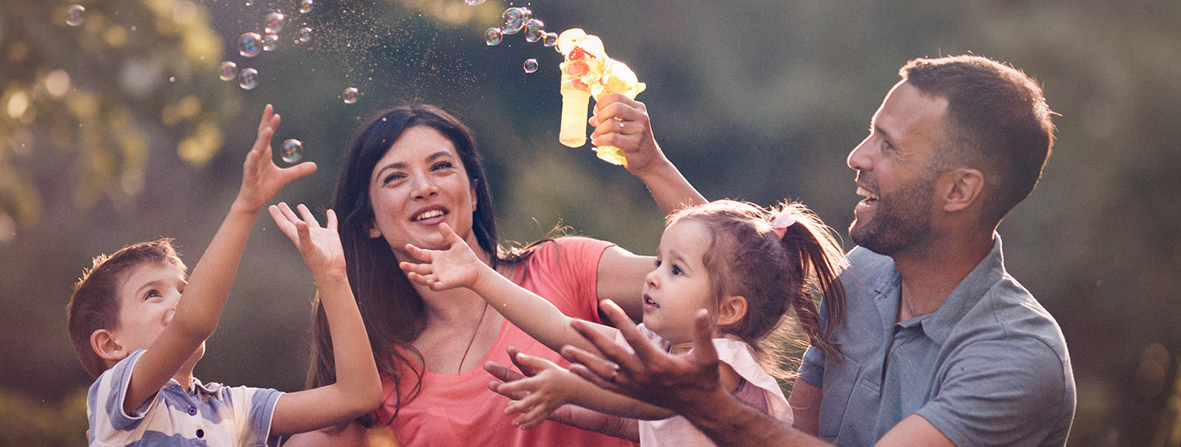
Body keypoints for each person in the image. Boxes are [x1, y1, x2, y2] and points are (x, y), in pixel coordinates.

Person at [558, 55, 1076, 447]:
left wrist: (707, 404)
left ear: (959, 191)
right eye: (870, 135)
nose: (857, 156)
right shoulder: (862, 277)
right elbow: (738, 273)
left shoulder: (1017, 360)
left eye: (888, 145)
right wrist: (651, 164)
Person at [284, 99, 709, 446]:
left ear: (472, 193)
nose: (424, 187)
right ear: (370, 223)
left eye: (441, 167)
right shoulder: (377, 368)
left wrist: (653, 166)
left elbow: (718, 280)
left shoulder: (565, 265)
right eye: (395, 177)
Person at [399, 199, 848, 446]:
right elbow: (561, 328)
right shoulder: (660, 343)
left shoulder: (726, 362)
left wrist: (573, 388)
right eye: (659, 260)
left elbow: (660, 403)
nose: (651, 276)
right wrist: (481, 277)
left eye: (676, 270)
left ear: (727, 311)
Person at [66, 105, 382, 446]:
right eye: (153, 294)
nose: (181, 300)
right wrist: (245, 207)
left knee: (337, 437)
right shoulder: (113, 397)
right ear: (110, 344)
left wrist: (332, 276)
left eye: (184, 290)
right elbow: (194, 323)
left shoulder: (229, 405)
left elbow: (358, 395)